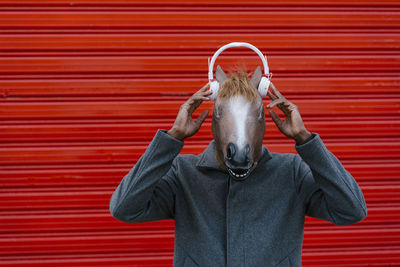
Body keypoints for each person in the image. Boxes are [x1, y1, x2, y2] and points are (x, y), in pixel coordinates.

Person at [109, 70, 367, 266]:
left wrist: (306, 140)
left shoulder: (291, 172)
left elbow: (352, 210)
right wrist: (172, 139)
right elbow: (124, 208)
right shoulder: (183, 174)